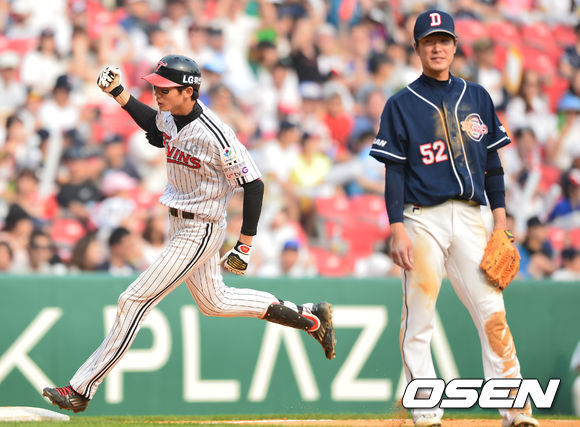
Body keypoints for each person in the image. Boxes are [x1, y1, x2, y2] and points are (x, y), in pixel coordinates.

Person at [42, 54, 336, 413]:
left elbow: (254, 184)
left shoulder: (217, 134)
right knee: (215, 302)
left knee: (133, 300)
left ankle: (81, 388)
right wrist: (119, 92)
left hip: (201, 228)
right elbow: (155, 128)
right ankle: (309, 316)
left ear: (189, 91)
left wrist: (244, 244)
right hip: (179, 223)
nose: (157, 93)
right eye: (156, 86)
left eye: (165, 88)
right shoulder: (170, 115)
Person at [369, 10, 538, 427]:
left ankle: (515, 411)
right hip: (420, 217)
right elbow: (394, 172)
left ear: (455, 45)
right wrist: (396, 228)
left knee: (492, 310)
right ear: (417, 48)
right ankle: (426, 411)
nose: (437, 47)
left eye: (444, 40)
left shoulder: (477, 97)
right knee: (419, 316)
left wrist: (501, 221)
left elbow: (493, 166)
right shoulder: (400, 104)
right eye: (429, 41)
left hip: (470, 216)